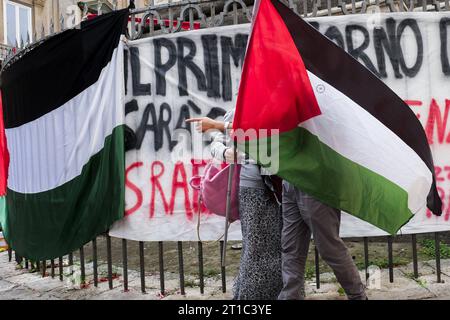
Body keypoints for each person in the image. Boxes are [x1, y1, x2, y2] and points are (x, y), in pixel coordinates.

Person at [186, 113, 283, 300]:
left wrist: (218, 124)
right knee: (257, 251)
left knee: (276, 249)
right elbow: (217, 142)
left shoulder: (273, 102)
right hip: (255, 187)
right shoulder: (239, 107)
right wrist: (224, 152)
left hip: (280, 185)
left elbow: (270, 134)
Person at [278, 182, 367, 300]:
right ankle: (289, 297)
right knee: (291, 248)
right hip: (290, 179)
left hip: (315, 180)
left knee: (330, 248)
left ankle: (358, 296)